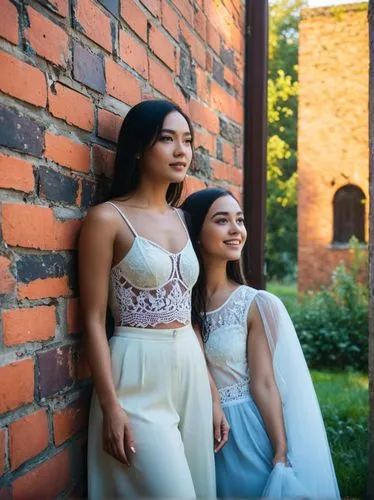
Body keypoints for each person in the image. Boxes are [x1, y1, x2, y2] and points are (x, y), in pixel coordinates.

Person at [78, 100, 219, 499]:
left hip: (189, 368)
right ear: (139, 148)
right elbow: (91, 319)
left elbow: (188, 311)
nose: (181, 151)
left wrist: (211, 391)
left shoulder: (183, 219)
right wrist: (111, 406)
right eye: (167, 139)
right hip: (136, 374)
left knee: (201, 488)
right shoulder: (107, 219)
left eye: (187, 141)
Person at [182, 187, 340, 499]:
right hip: (192, 427)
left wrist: (280, 450)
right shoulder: (179, 302)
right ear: (196, 233)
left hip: (242, 432)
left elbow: (264, 383)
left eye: (239, 221)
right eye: (222, 221)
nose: (235, 230)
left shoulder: (255, 303)